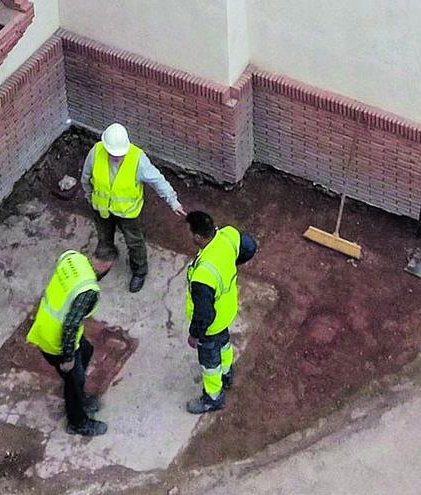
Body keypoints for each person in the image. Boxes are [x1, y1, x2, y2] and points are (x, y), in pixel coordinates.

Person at [81, 123, 187, 293]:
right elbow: (86, 177)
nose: (117, 157)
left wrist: (172, 201)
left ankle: (139, 271)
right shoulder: (96, 152)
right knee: (104, 237)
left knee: (134, 242)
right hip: (101, 209)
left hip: (127, 213)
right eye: (113, 154)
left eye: (120, 154)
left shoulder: (138, 159)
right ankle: (105, 259)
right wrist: (90, 198)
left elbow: (157, 180)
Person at [26, 250, 108, 436]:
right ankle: (78, 422)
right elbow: (70, 326)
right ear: (107, 266)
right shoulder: (88, 290)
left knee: (86, 351)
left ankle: (78, 394)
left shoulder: (73, 258)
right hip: (56, 341)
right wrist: (69, 357)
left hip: (45, 326)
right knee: (74, 379)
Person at [184, 211, 257, 414]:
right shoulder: (228, 235)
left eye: (191, 233)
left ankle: (213, 399)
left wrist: (194, 334)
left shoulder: (204, 274)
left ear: (198, 237)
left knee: (209, 364)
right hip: (227, 311)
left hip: (211, 324)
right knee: (224, 344)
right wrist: (233, 264)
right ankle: (227, 374)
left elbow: (203, 314)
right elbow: (250, 246)